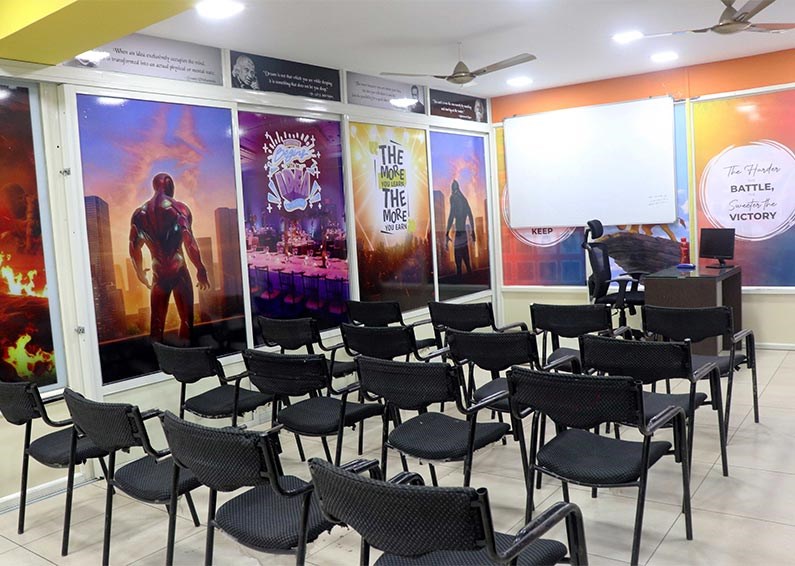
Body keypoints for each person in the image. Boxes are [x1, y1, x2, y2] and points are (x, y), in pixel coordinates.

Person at [129, 173, 210, 343]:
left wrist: (139, 272)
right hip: (178, 271)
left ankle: (159, 358)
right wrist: (200, 268)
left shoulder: (139, 214)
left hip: (158, 274)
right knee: (186, 321)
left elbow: (134, 247)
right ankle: (186, 356)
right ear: (170, 186)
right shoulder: (178, 209)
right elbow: (189, 240)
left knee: (156, 325)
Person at [445, 179, 475, 277]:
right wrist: (473, 231)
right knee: (467, 262)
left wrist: (447, 233)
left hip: (459, 234)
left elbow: (451, 216)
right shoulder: (464, 200)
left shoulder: (453, 198)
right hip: (463, 234)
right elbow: (470, 215)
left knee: (459, 265)